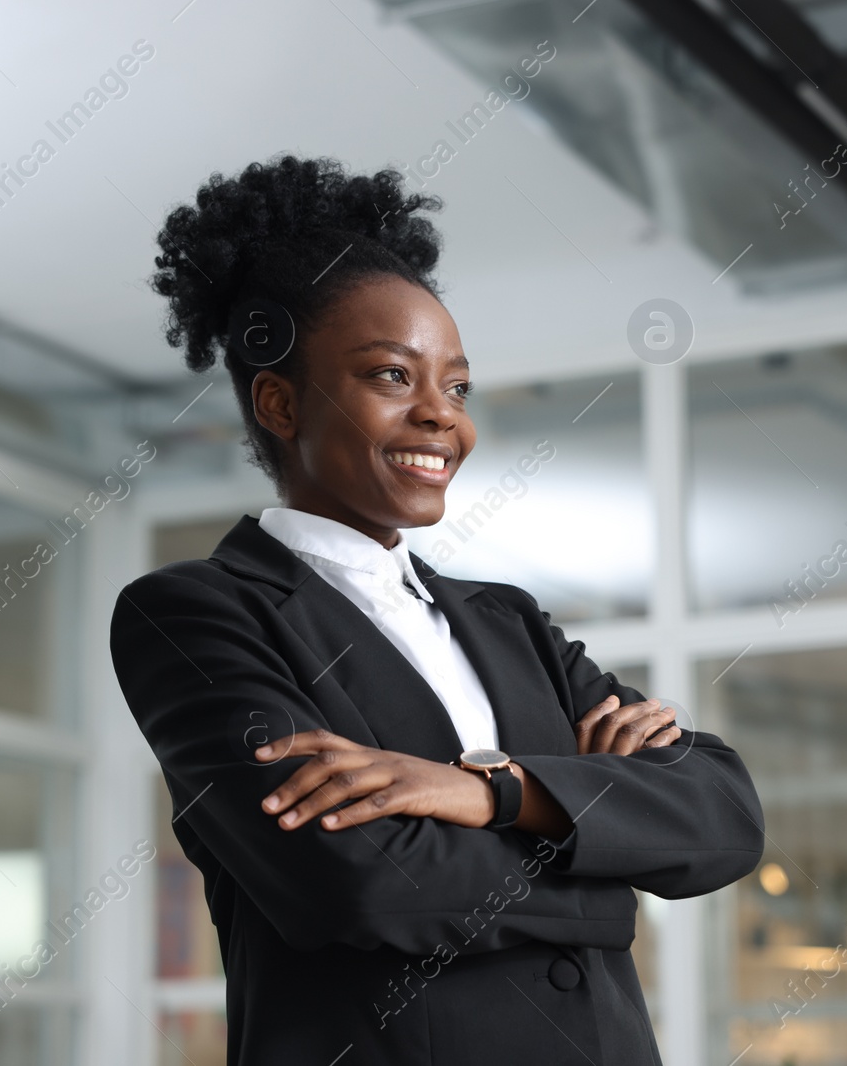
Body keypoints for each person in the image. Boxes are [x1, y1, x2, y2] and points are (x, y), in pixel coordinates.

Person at [109, 154, 764, 1065]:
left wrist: (483, 792)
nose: (441, 417)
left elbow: (722, 816)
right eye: (391, 376)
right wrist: (606, 870)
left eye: (455, 386)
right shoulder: (194, 613)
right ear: (280, 400)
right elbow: (362, 886)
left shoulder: (510, 621)